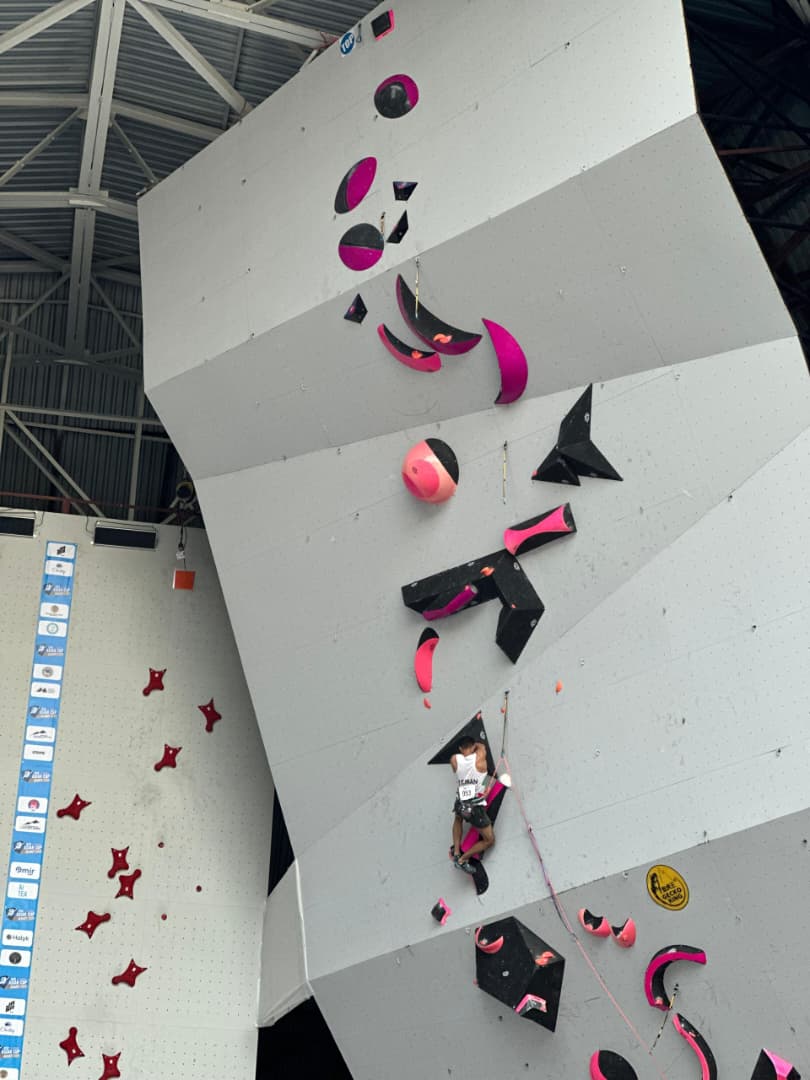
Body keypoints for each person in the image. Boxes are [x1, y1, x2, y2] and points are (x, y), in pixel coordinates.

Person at [451, 736, 495, 873]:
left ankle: (456, 852)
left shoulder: (454, 759)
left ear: (460, 749)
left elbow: (478, 775)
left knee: (458, 819)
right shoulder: (480, 758)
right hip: (475, 808)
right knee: (489, 840)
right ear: (473, 746)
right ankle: (462, 859)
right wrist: (477, 745)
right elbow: (482, 748)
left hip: (460, 803)